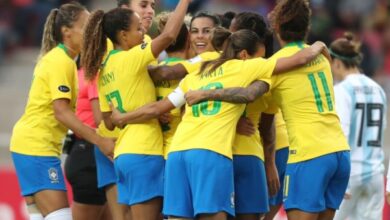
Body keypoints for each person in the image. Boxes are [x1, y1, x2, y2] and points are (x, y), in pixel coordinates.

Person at [109, 29, 327, 219]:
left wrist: (122, 118)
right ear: (244, 55)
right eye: (260, 56)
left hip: (178, 154)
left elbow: (156, 108)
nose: (262, 61)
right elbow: (300, 59)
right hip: (211, 152)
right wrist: (320, 44)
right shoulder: (247, 67)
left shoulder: (198, 73)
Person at [81, 1, 190, 219]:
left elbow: (108, 121)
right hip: (144, 152)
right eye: (139, 29)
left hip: (124, 155)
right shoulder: (132, 57)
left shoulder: (104, 68)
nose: (143, 34)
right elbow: (169, 35)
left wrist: (130, 113)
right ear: (123, 35)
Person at [9, 2, 115, 220]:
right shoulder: (61, 61)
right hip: (37, 147)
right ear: (67, 32)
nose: (91, 34)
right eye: (86, 27)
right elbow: (61, 112)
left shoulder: (62, 59)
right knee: (62, 216)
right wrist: (99, 139)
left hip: (31, 145)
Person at [91, 1, 158, 219]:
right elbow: (96, 103)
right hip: (124, 145)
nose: (149, 11)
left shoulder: (138, 42)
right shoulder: (121, 49)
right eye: (143, 5)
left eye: (152, 5)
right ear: (124, 9)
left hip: (123, 149)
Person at [333, 33, 387, 220]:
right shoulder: (378, 89)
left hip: (350, 174)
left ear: (337, 63)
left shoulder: (341, 90)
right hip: (375, 174)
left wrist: (337, 178)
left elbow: (342, 132)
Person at [64, 64, 110, 220]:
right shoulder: (95, 74)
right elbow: (99, 121)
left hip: (83, 149)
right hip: (89, 152)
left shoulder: (78, 73)